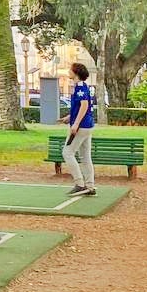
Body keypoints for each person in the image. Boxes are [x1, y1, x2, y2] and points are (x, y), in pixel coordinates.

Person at [63, 62, 97, 196]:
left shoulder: (80, 87)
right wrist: (69, 116)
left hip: (81, 126)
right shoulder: (82, 87)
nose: (68, 71)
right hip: (87, 126)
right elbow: (83, 107)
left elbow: (84, 105)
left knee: (67, 153)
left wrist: (75, 123)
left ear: (75, 72)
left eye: (70, 69)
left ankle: (79, 183)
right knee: (85, 156)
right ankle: (90, 185)